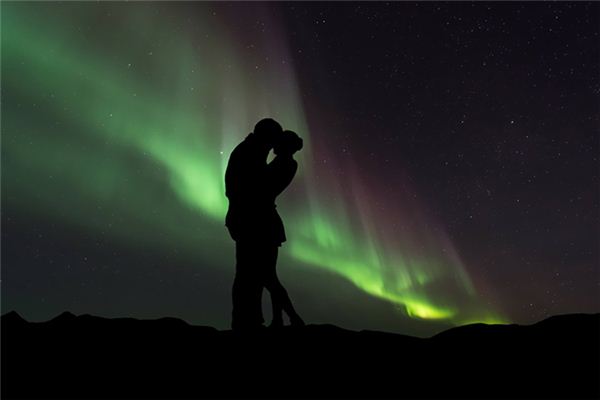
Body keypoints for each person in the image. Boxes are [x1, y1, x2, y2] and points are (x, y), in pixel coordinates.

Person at [225, 118, 283, 331]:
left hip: (246, 219)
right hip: (249, 220)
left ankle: (248, 320)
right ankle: (246, 321)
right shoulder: (249, 153)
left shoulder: (251, 151)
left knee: (251, 274)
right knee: (249, 274)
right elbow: (247, 189)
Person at [264, 130, 305, 328]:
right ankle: (280, 319)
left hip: (266, 221)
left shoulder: (285, 163)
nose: (274, 146)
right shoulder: (288, 163)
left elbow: (264, 184)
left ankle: (292, 318)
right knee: (270, 275)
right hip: (269, 220)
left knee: (268, 276)